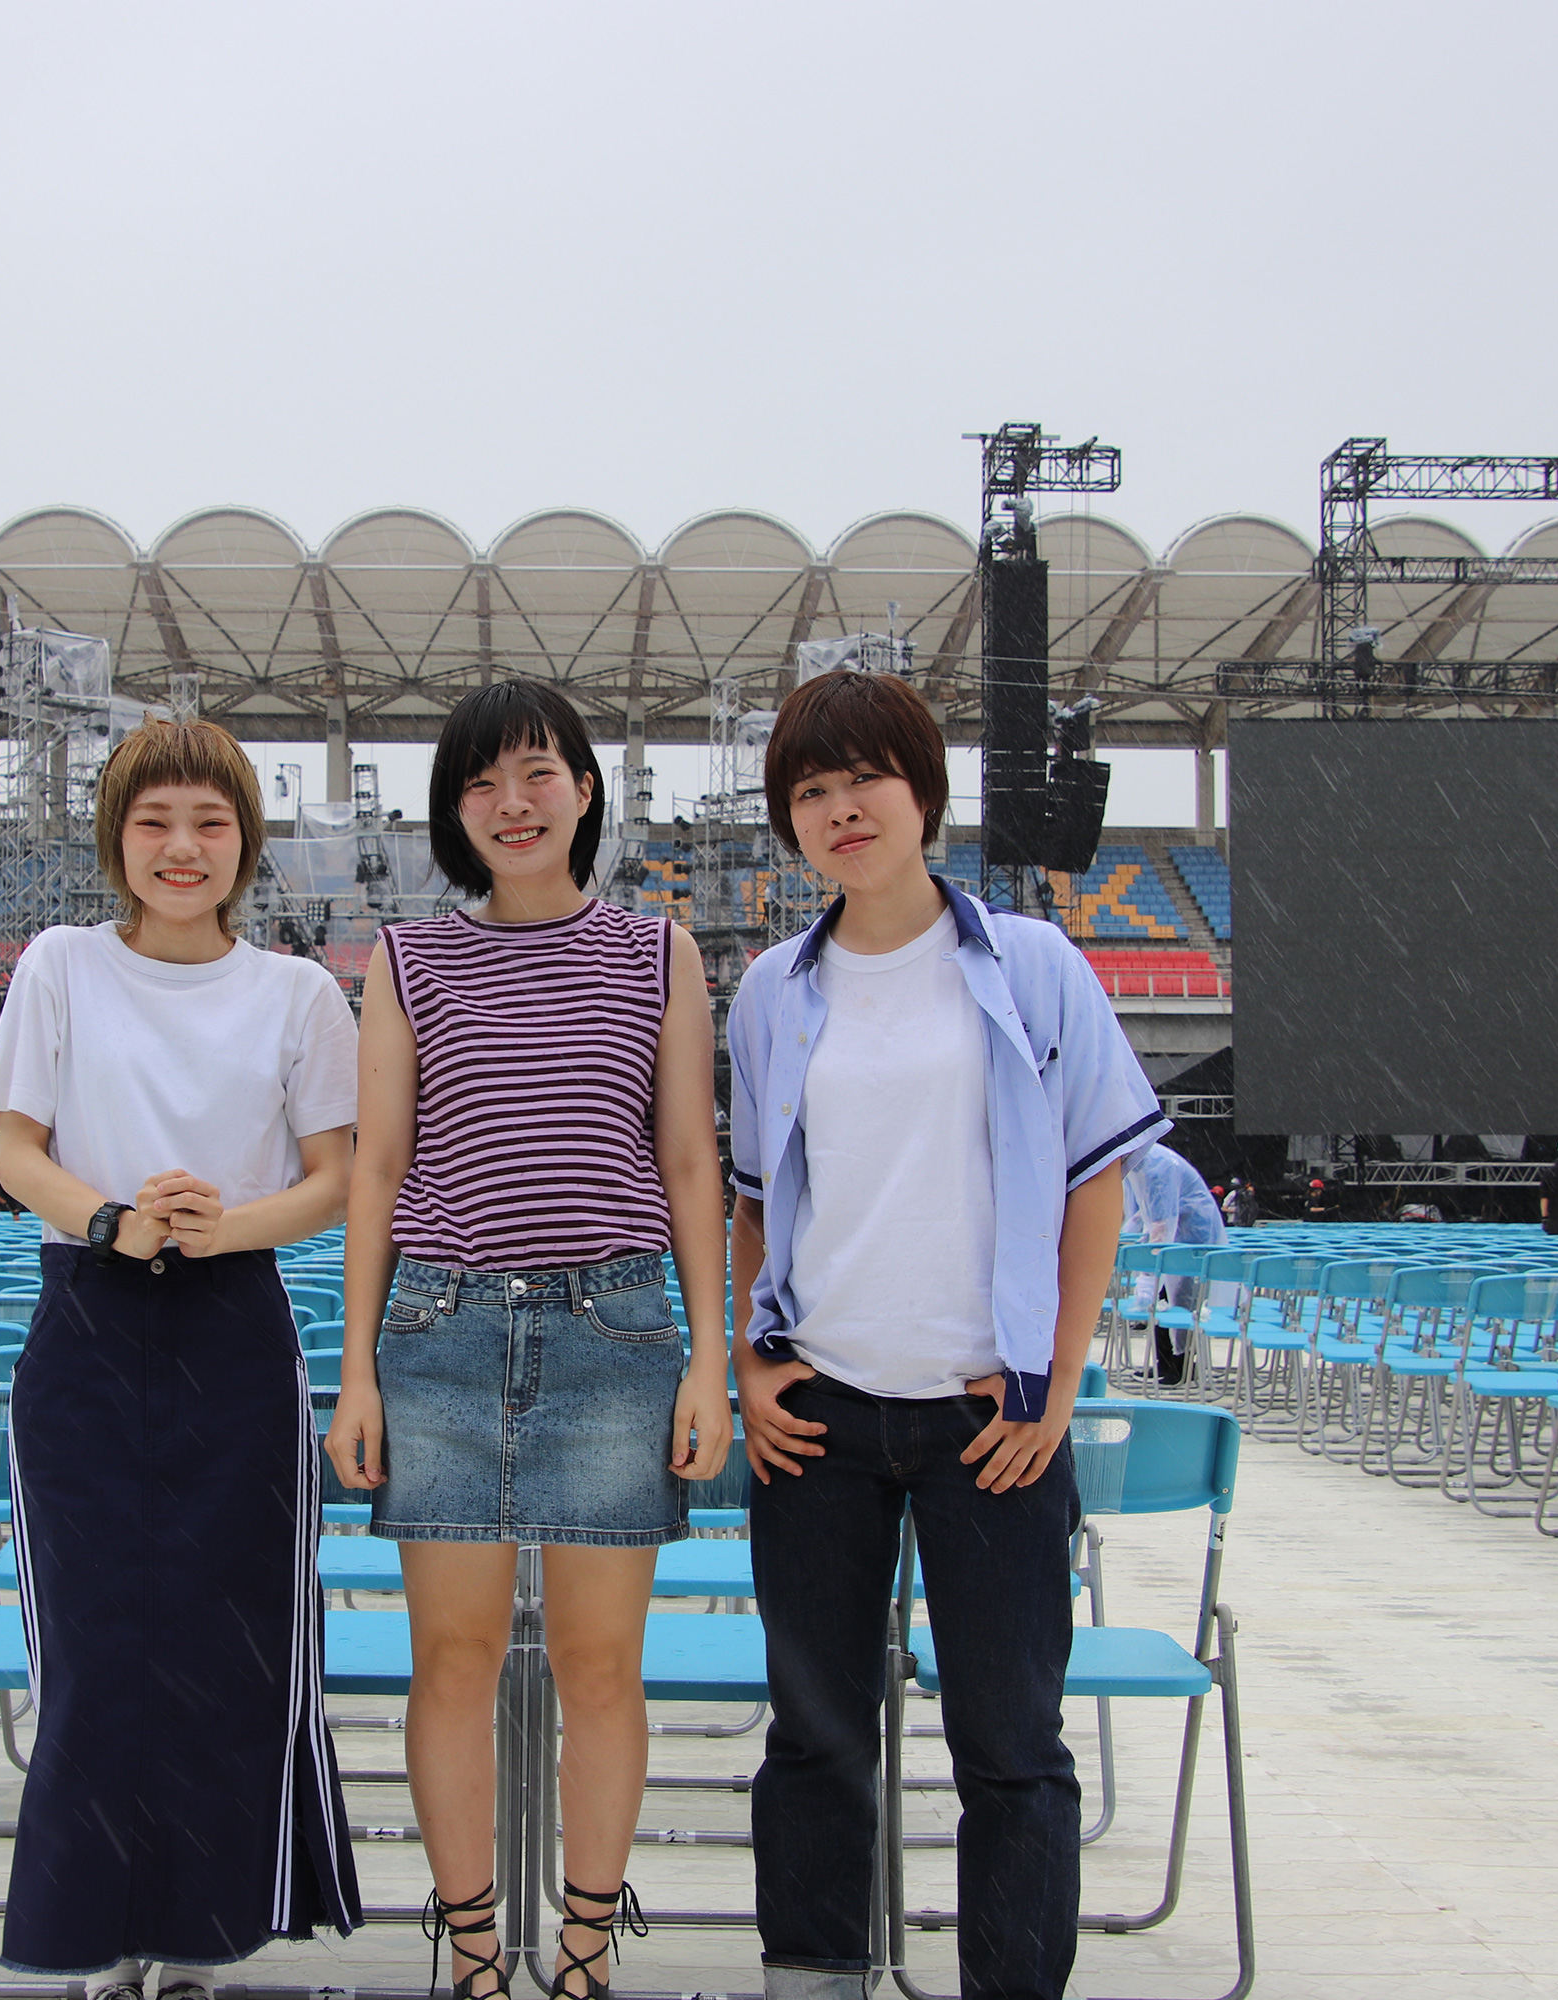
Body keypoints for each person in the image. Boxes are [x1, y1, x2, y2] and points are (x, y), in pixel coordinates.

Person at [725, 668, 1163, 2000]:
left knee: (1010, 1745)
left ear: (923, 791)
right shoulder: (771, 990)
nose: (842, 808)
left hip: (991, 1419)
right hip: (823, 1417)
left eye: (866, 777)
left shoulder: (1032, 964)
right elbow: (756, 1201)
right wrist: (752, 1356)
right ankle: (815, 1978)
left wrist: (1055, 1384)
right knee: (815, 1737)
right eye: (812, 789)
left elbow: (1097, 1183)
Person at [325, 679, 730, 2000]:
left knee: (602, 1669)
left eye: (538, 772)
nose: (513, 802)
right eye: (482, 781)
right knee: (451, 1662)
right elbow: (379, 1168)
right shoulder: (405, 960)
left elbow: (688, 1160)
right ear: (454, 811)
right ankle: (473, 1954)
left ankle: (587, 1954)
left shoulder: (659, 952)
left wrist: (708, 1356)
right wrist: (357, 1372)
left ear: (586, 790)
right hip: (441, 1330)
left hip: (615, 1331)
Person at [0, 715, 362, 1986]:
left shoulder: (297, 992)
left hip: (234, 1327)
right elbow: (18, 1149)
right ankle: (95, 1930)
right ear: (119, 839)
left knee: (228, 1646)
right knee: (94, 1644)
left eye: (210, 820)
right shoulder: (60, 964)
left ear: (245, 841)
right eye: (155, 821)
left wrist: (218, 1226)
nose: (182, 845)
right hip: (89, 1320)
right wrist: (112, 1219)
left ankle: (202, 1935)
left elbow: (336, 1178)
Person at [1122, 1141, 1224, 1384]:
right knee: (1165, 1303)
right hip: (1178, 1239)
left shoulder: (1157, 1166)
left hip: (1190, 1239)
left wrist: (1149, 1274)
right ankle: (1166, 1363)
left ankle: (1181, 1366)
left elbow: (1162, 1222)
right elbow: (1144, 1214)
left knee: (1178, 1304)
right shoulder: (1141, 1164)